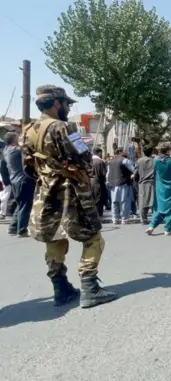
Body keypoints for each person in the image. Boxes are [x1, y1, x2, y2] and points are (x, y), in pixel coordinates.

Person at [21, 85, 117, 308]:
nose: (68, 107)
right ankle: (90, 288)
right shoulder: (65, 127)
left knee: (54, 238)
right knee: (93, 237)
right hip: (71, 193)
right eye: (66, 103)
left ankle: (60, 288)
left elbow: (27, 168)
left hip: (44, 194)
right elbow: (84, 158)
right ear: (56, 103)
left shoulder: (27, 130)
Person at [146, 143, 171, 236]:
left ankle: (152, 225)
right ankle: (167, 229)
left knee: (159, 208)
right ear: (168, 151)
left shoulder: (155, 161)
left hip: (160, 188)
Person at [3, 131, 36, 237]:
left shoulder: (5, 150)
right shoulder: (17, 150)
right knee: (26, 205)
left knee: (20, 204)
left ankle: (13, 227)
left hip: (14, 180)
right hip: (23, 180)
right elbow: (31, 152)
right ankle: (22, 230)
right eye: (18, 137)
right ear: (13, 139)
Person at [106, 147, 135, 224]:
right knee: (124, 201)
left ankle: (115, 218)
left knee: (114, 202)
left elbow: (108, 174)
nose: (127, 152)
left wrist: (108, 182)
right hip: (124, 183)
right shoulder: (125, 160)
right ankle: (124, 218)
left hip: (113, 184)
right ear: (121, 152)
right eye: (125, 151)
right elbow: (133, 170)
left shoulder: (110, 161)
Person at [135, 145, 155, 225]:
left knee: (143, 202)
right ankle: (154, 218)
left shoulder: (139, 161)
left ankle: (143, 219)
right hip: (153, 183)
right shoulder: (154, 161)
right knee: (154, 202)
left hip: (142, 183)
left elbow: (136, 173)